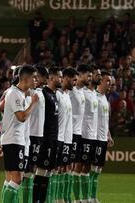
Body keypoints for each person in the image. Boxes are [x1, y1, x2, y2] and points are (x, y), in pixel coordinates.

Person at [0, 65, 39, 203]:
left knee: (12, 179)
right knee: (16, 179)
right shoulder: (14, 93)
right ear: (26, 79)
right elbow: (21, 117)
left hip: (17, 140)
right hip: (14, 140)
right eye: (34, 78)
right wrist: (33, 104)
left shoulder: (19, 93)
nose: (36, 80)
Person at [33, 67, 61, 203]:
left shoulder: (54, 94)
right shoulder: (43, 93)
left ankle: (41, 200)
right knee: (41, 169)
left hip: (54, 138)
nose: (60, 79)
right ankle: (36, 200)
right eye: (59, 77)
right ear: (51, 78)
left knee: (48, 171)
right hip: (46, 138)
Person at [21, 65, 47, 203]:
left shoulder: (41, 92)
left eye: (37, 77)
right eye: (34, 77)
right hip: (30, 135)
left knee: (32, 171)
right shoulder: (27, 92)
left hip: (39, 136)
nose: (36, 79)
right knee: (27, 171)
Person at [69, 64, 92, 203]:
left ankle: (76, 199)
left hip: (79, 134)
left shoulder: (82, 92)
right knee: (67, 168)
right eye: (87, 75)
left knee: (74, 168)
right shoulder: (71, 91)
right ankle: (63, 198)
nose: (89, 78)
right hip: (69, 133)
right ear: (80, 75)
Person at [55, 68, 78, 203]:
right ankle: (56, 198)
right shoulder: (57, 95)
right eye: (74, 80)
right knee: (56, 169)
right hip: (58, 138)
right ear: (67, 78)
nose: (75, 83)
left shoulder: (67, 95)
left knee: (66, 167)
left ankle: (63, 197)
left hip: (67, 139)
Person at [91, 71, 114, 202]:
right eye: (107, 81)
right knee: (92, 169)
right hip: (95, 138)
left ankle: (93, 197)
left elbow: (105, 121)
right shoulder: (94, 96)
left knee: (98, 169)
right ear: (100, 82)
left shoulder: (106, 98)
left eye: (110, 81)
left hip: (103, 138)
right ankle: (88, 196)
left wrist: (108, 135)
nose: (110, 84)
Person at [80, 66, 101, 203]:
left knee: (88, 167)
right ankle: (81, 198)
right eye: (96, 75)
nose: (98, 77)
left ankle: (88, 197)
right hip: (84, 135)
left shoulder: (94, 94)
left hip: (93, 136)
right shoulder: (83, 92)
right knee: (80, 167)